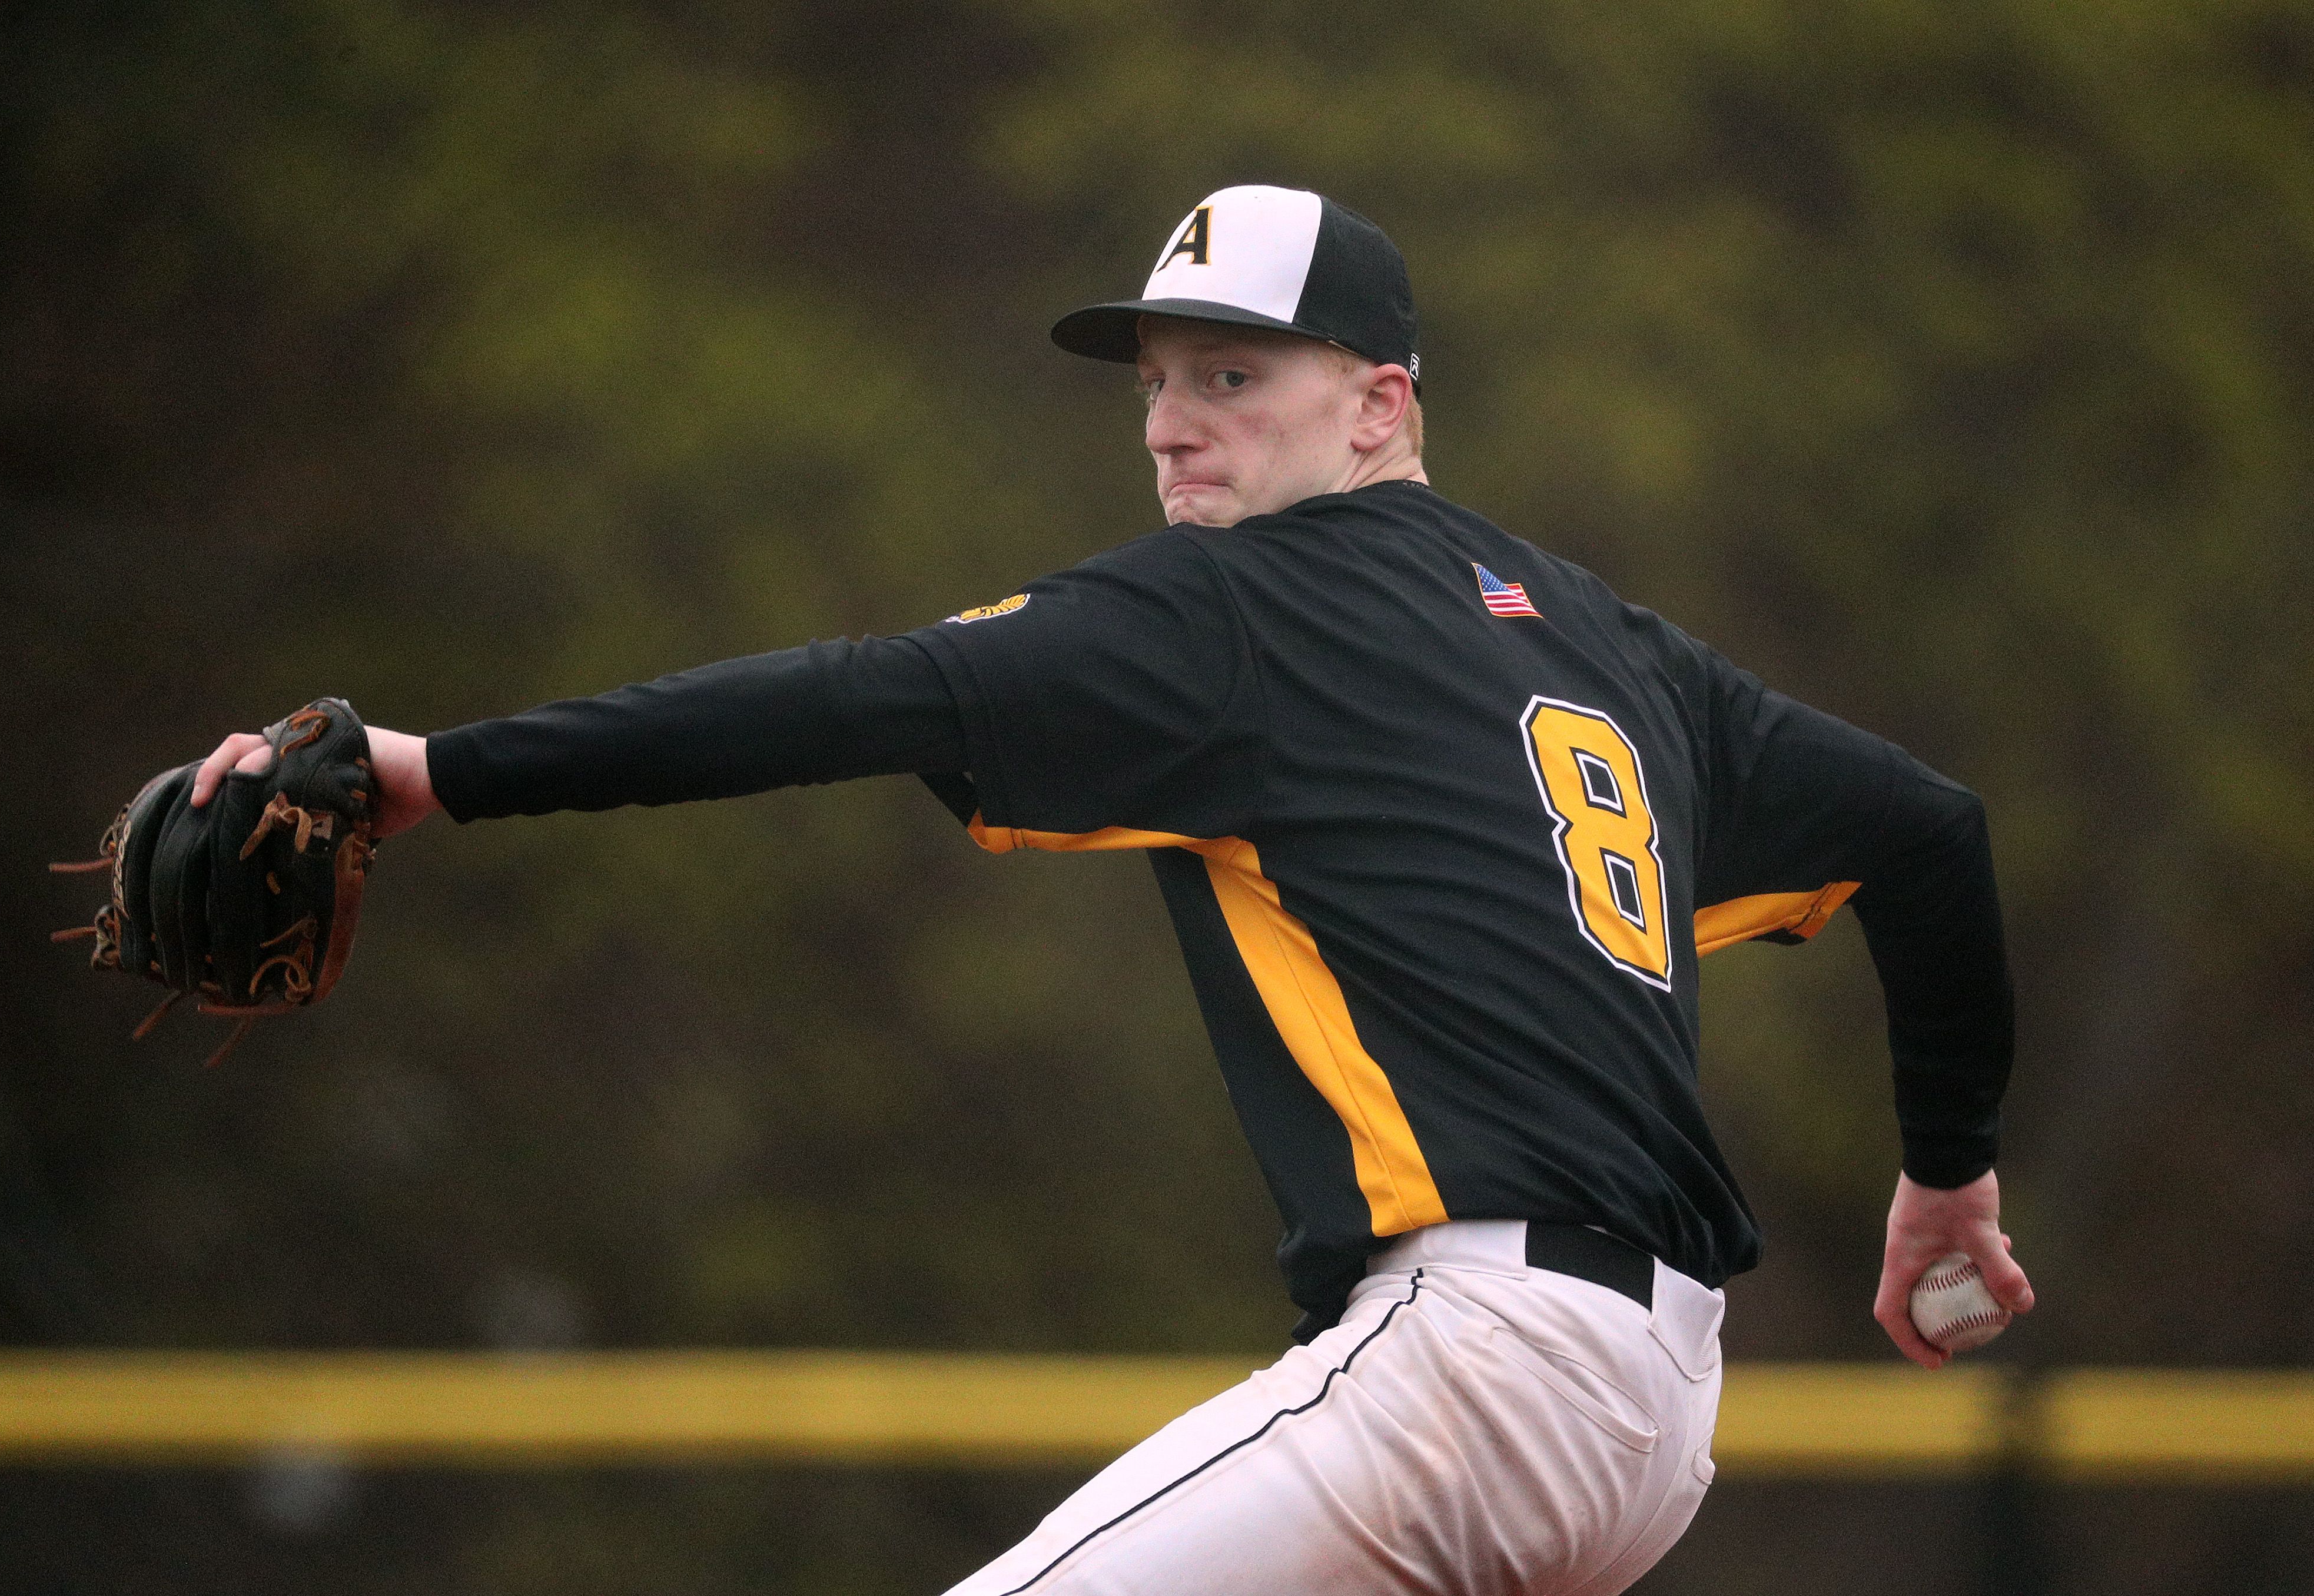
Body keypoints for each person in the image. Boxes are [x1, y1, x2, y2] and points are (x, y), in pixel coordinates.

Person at [191, 184, 2033, 1594]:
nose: (1171, 427)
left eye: (1232, 376)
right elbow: (1928, 833)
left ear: (1380, 404)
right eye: (1157, 386)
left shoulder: (1236, 605)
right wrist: (1945, 1177)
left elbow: (853, 692)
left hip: (1474, 1372)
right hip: (1657, 1418)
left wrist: (446, 775)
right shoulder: (1604, 641)